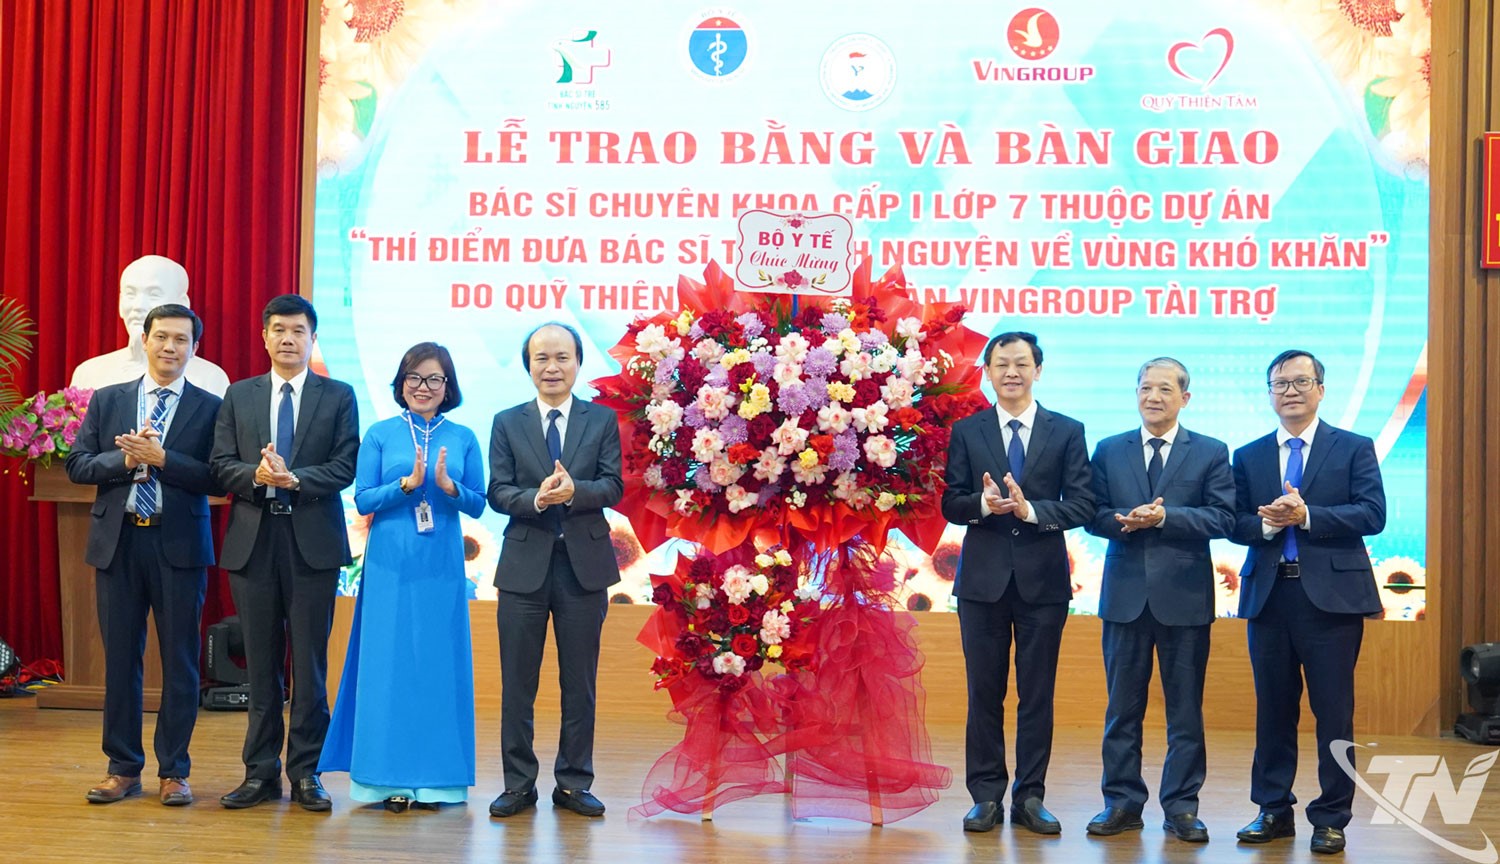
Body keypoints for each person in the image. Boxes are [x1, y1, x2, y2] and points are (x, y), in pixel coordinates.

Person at [65, 304, 222, 807]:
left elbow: (218, 477)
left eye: (181, 340)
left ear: (194, 348)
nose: (170, 347)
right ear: (145, 340)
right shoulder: (108, 399)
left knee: (180, 661)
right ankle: (122, 768)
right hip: (119, 544)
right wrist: (126, 458)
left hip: (179, 546)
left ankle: (174, 771)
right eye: (162, 337)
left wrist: (164, 459)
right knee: (120, 660)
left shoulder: (211, 406)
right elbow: (78, 465)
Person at [1229, 350, 1385, 855]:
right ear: (1270, 394)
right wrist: (1269, 523)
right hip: (1270, 597)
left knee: (1333, 713)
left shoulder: (1353, 447)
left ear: (1321, 389)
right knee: (1273, 710)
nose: (1290, 392)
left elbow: (1372, 514)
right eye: (1280, 384)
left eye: (1301, 382)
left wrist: (1307, 515)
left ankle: (1332, 817)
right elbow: (1234, 522)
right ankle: (1272, 809)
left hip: (1332, 602)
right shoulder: (1249, 455)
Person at [319, 343, 486, 811]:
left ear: (448, 387)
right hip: (390, 563)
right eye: (414, 377)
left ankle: (437, 781)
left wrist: (450, 488)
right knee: (387, 664)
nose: (423, 387)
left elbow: (479, 502)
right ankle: (384, 779)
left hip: (441, 564)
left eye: (434, 379)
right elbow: (363, 499)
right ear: (401, 382)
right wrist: (405, 486)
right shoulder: (380, 433)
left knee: (437, 665)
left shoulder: (464, 436)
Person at [940, 331, 1094, 835]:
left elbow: (1083, 504)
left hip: (1043, 584)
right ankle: (985, 797)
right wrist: (984, 505)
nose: (1012, 372)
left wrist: (1031, 511)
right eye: (1001, 363)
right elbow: (951, 502)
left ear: (1038, 370)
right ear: (987, 371)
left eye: (1022, 363)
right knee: (984, 693)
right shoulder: (968, 430)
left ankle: (1030, 797)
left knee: (1037, 694)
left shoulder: (1067, 430)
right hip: (981, 585)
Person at [210, 294, 359, 811]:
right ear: (265, 337)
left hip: (312, 543)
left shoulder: (337, 395)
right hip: (254, 542)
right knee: (261, 665)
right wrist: (256, 476)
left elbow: (344, 466)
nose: (288, 338)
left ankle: (306, 773)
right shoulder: (240, 394)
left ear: (313, 339)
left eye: (298, 330)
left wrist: (295, 479)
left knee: (310, 666)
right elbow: (220, 464)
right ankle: (259, 772)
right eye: (279, 329)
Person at [1083, 358, 1234, 843]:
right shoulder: (1110, 449)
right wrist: (1124, 520)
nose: (1153, 397)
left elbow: (1223, 517)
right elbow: (1091, 514)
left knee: (1185, 712)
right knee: (1121, 711)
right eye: (1146, 388)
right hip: (1124, 598)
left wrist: (1166, 518)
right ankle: (1121, 803)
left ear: (1184, 398)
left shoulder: (1210, 451)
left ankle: (1182, 808)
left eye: (1165, 389)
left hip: (1185, 600)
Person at [486, 322, 623, 819]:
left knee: (579, 683)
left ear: (578, 363)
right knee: (517, 684)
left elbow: (613, 485)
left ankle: (573, 783)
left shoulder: (601, 419)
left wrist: (574, 492)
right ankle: (518, 784)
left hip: (584, 569)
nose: (552, 367)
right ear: (528, 365)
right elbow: (498, 491)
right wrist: (537, 499)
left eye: (562, 357)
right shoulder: (507, 421)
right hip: (523, 567)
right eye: (541, 358)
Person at [70, 255, 231, 397]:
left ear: (182, 303)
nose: (138, 306)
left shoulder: (210, 378)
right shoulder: (90, 373)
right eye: (131, 294)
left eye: (154, 294)